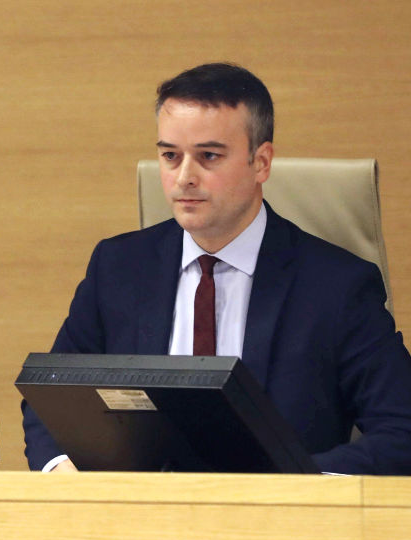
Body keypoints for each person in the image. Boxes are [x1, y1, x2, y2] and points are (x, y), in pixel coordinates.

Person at [22, 62, 411, 475]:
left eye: (208, 156)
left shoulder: (336, 286)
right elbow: (52, 395)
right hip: (139, 521)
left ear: (261, 162)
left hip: (279, 527)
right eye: (170, 156)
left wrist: (290, 484)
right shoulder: (117, 268)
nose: (183, 178)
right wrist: (63, 470)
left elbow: (402, 431)